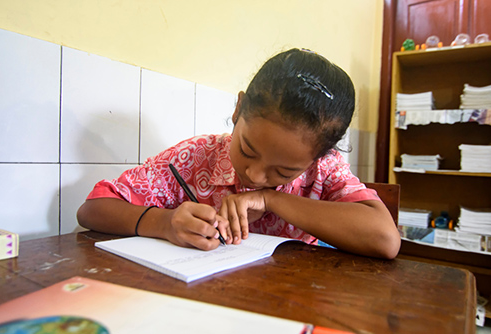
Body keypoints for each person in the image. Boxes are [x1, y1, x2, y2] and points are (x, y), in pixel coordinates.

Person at [77, 48, 401, 259]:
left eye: (284, 172)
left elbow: (385, 240)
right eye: (247, 149)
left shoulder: (324, 171)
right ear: (238, 108)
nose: (256, 175)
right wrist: (163, 222)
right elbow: (93, 210)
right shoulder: (195, 157)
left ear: (318, 157)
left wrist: (272, 199)